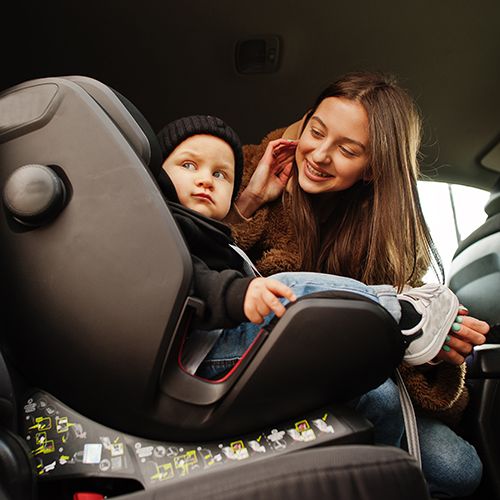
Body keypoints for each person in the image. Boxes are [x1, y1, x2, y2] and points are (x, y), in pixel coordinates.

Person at [217, 72, 489, 498]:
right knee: (375, 391)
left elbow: (396, 367)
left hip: (349, 381)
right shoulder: (243, 169)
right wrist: (250, 201)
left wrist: (433, 358)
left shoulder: (393, 242)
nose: (320, 155)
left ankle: (402, 321)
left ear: (372, 168)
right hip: (264, 364)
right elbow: (197, 262)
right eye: (316, 132)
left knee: (459, 468)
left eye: (347, 150)